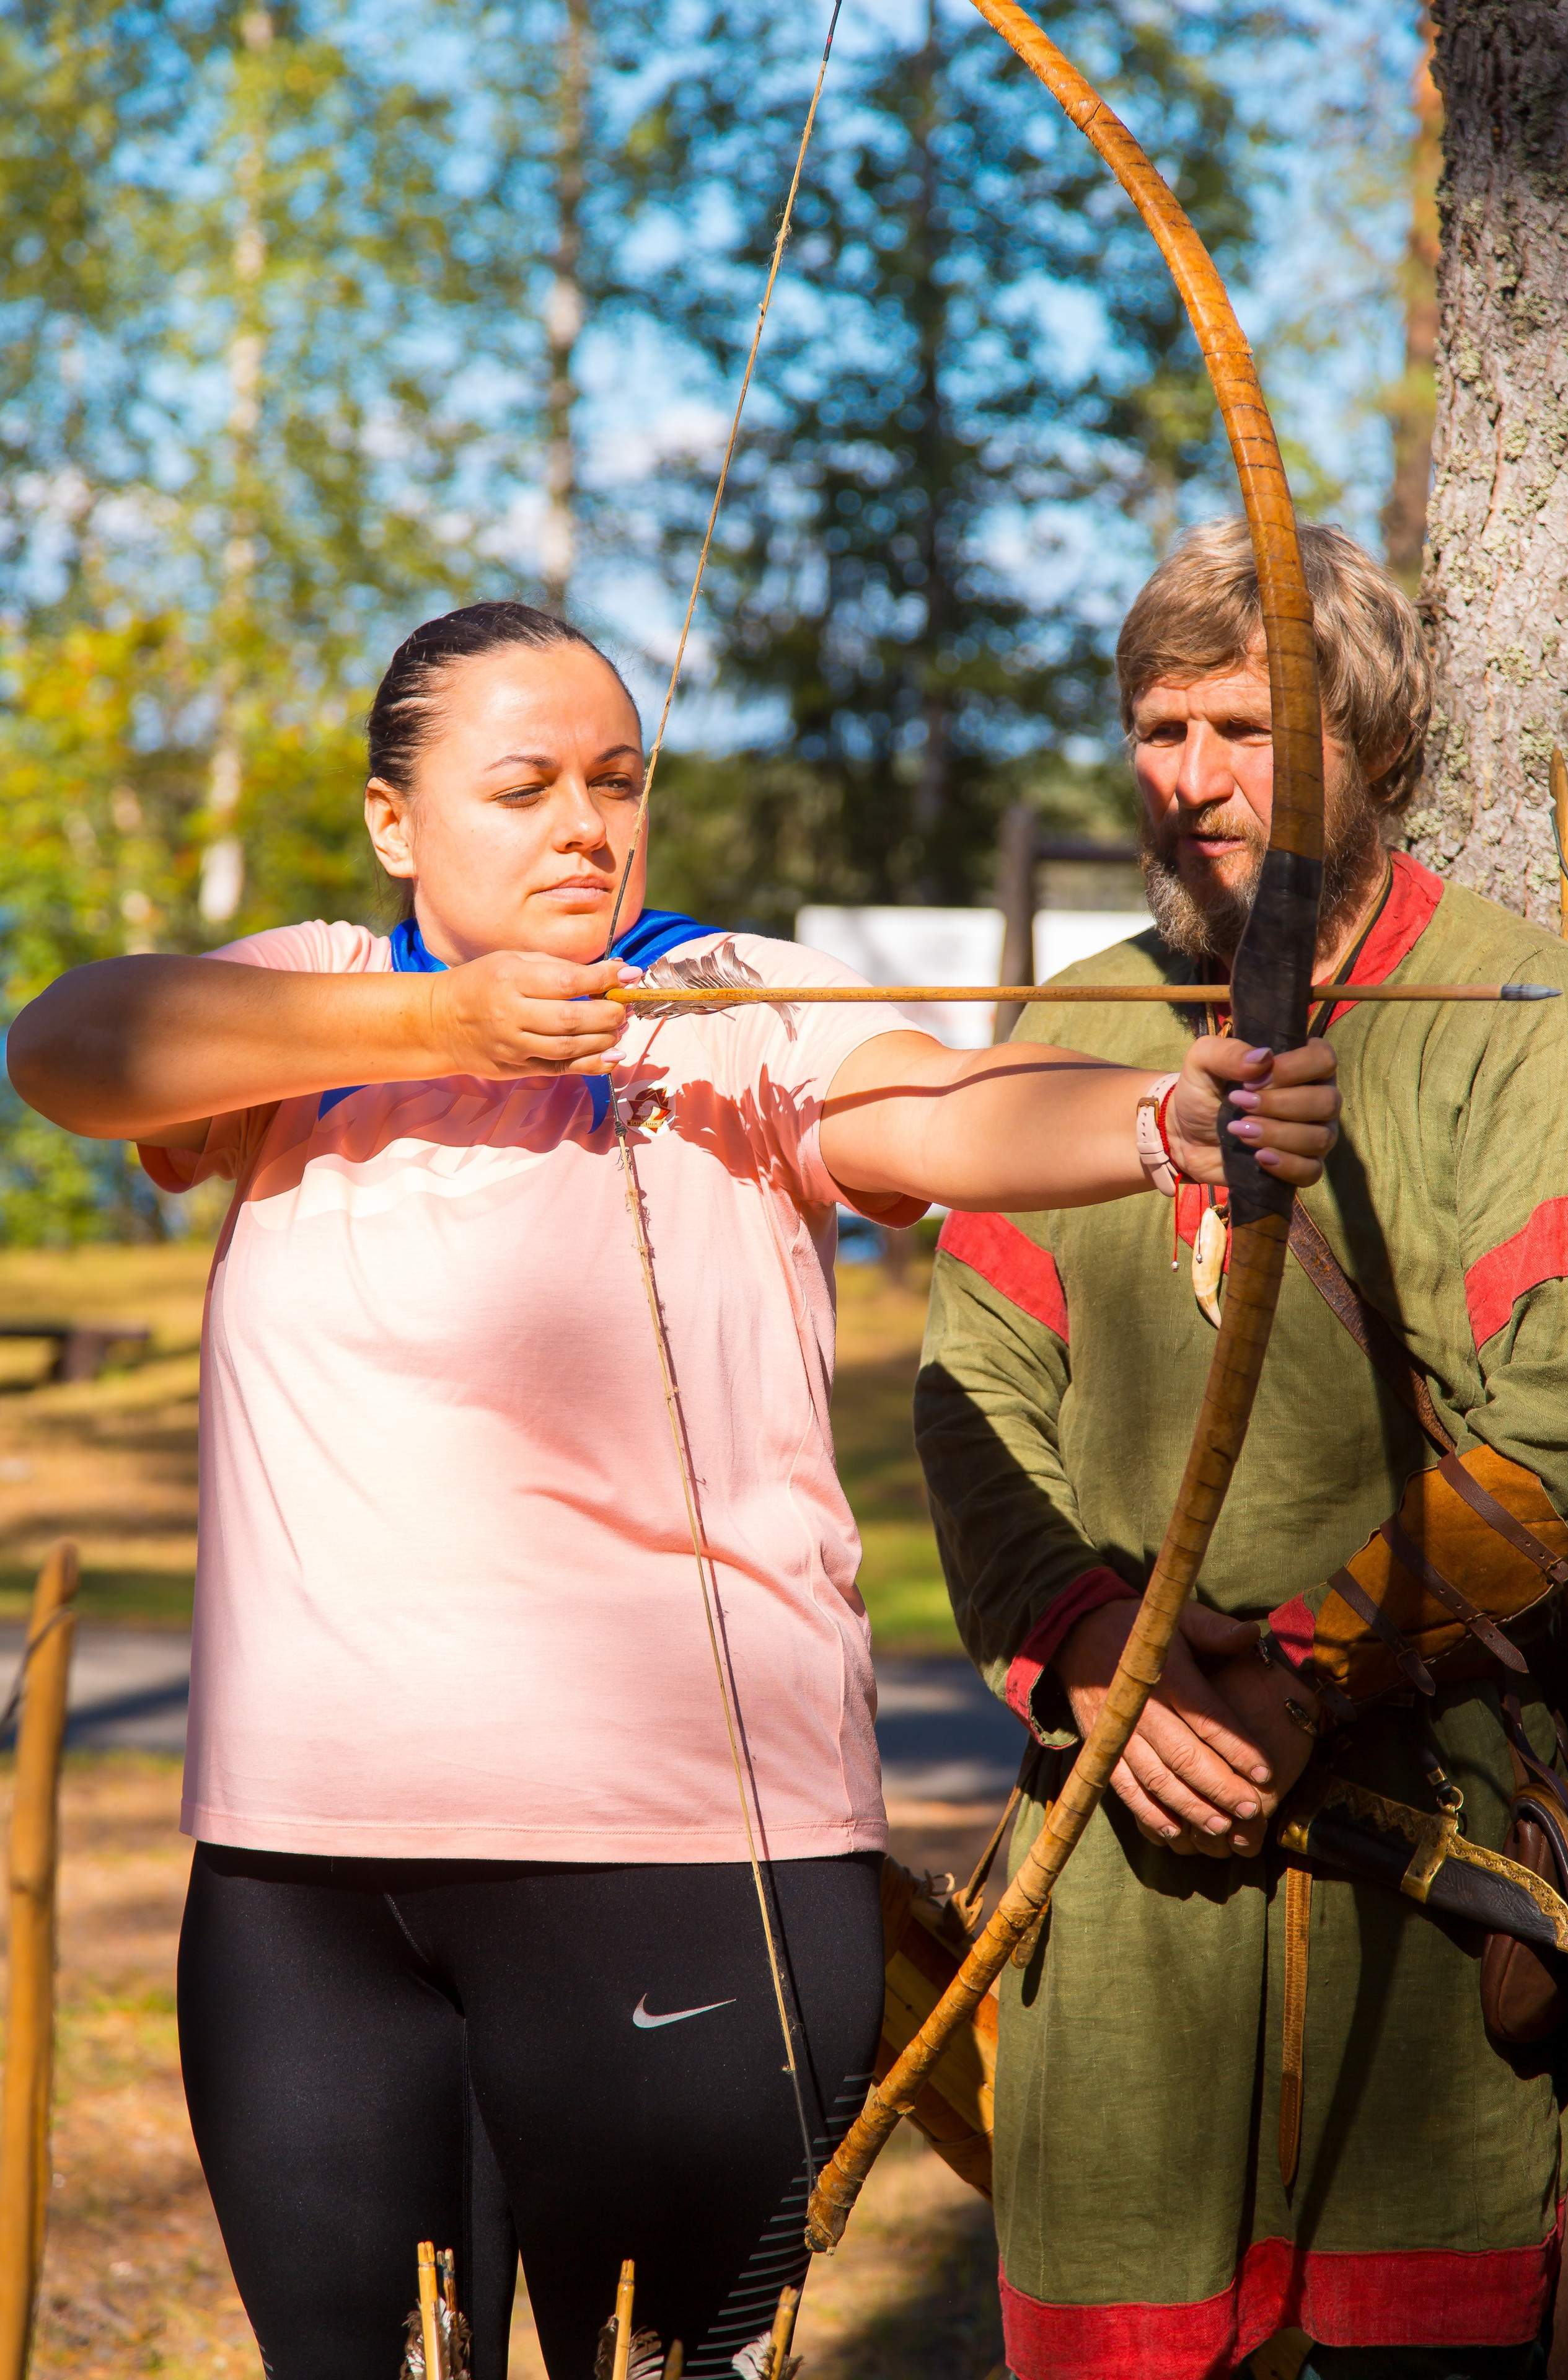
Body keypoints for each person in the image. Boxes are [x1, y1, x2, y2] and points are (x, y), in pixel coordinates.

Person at [7, 599, 1334, 2380]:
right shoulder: (312, 1000)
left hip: (680, 1865)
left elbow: (942, 1106)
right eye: (526, 787)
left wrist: (1160, 1121)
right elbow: (75, 1045)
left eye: (617, 781)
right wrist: (447, 1023)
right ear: (397, 821)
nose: (586, 826)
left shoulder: (727, 1002)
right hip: (302, 1880)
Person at [914, 519, 1568, 2380]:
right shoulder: (1083, 1023)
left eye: (1248, 728)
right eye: (1160, 730)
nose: (1193, 780)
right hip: (1123, 1859)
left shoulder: (1521, 1016)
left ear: (1374, 741)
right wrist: (1091, 1650)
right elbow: (970, 1390)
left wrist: (1304, 1667)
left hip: (1431, 1872)